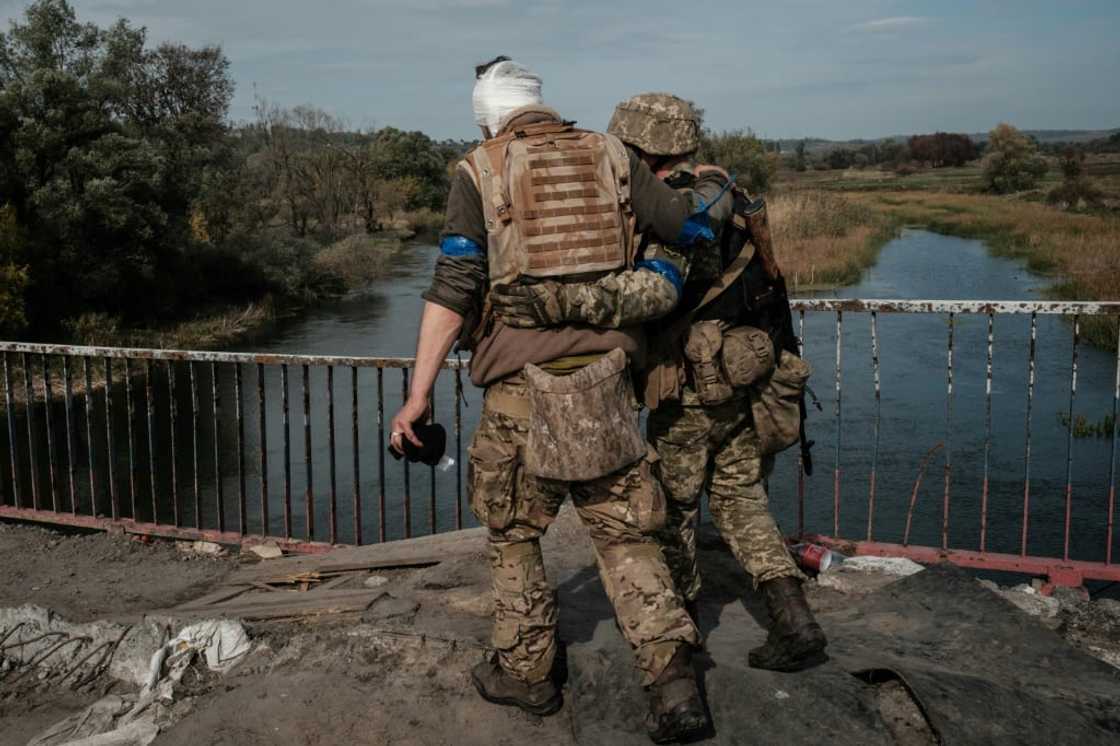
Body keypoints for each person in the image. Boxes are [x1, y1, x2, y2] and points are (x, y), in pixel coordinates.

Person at [389, 59, 733, 743]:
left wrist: (417, 395)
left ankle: (527, 674)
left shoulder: (478, 169)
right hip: (606, 382)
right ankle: (672, 683)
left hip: (522, 389)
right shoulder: (610, 153)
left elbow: (456, 287)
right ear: (541, 104)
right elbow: (685, 228)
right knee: (625, 534)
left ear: (489, 112)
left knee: (514, 534)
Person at [493, 92, 828, 673]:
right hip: (750, 373)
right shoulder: (728, 193)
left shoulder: (673, 207)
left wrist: (553, 303)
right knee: (740, 495)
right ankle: (795, 621)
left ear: (640, 148)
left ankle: (681, 638)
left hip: (693, 383)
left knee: (670, 509)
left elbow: (657, 292)